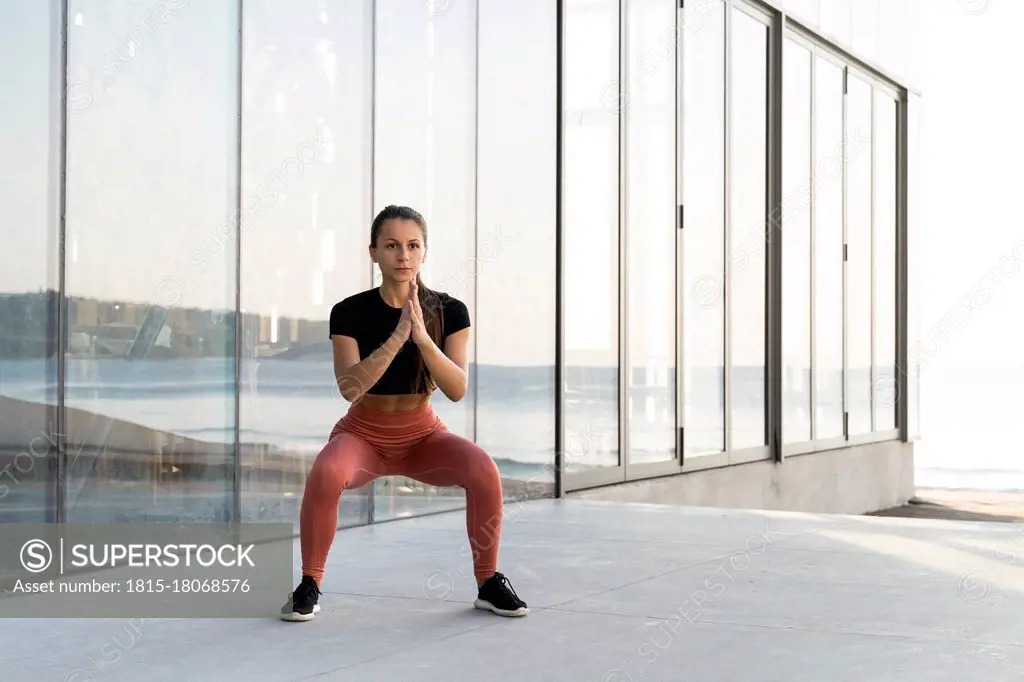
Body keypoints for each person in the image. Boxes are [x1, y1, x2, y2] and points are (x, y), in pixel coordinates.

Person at [280, 205, 529, 622]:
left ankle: (488, 582)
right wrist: (397, 338)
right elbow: (350, 389)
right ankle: (309, 583)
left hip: (422, 436)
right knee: (325, 470)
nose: (403, 255)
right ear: (373, 252)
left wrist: (423, 340)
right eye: (392, 245)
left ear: (424, 252)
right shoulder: (349, 312)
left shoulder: (451, 311)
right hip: (363, 436)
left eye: (413, 246)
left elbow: (456, 389)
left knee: (484, 469)